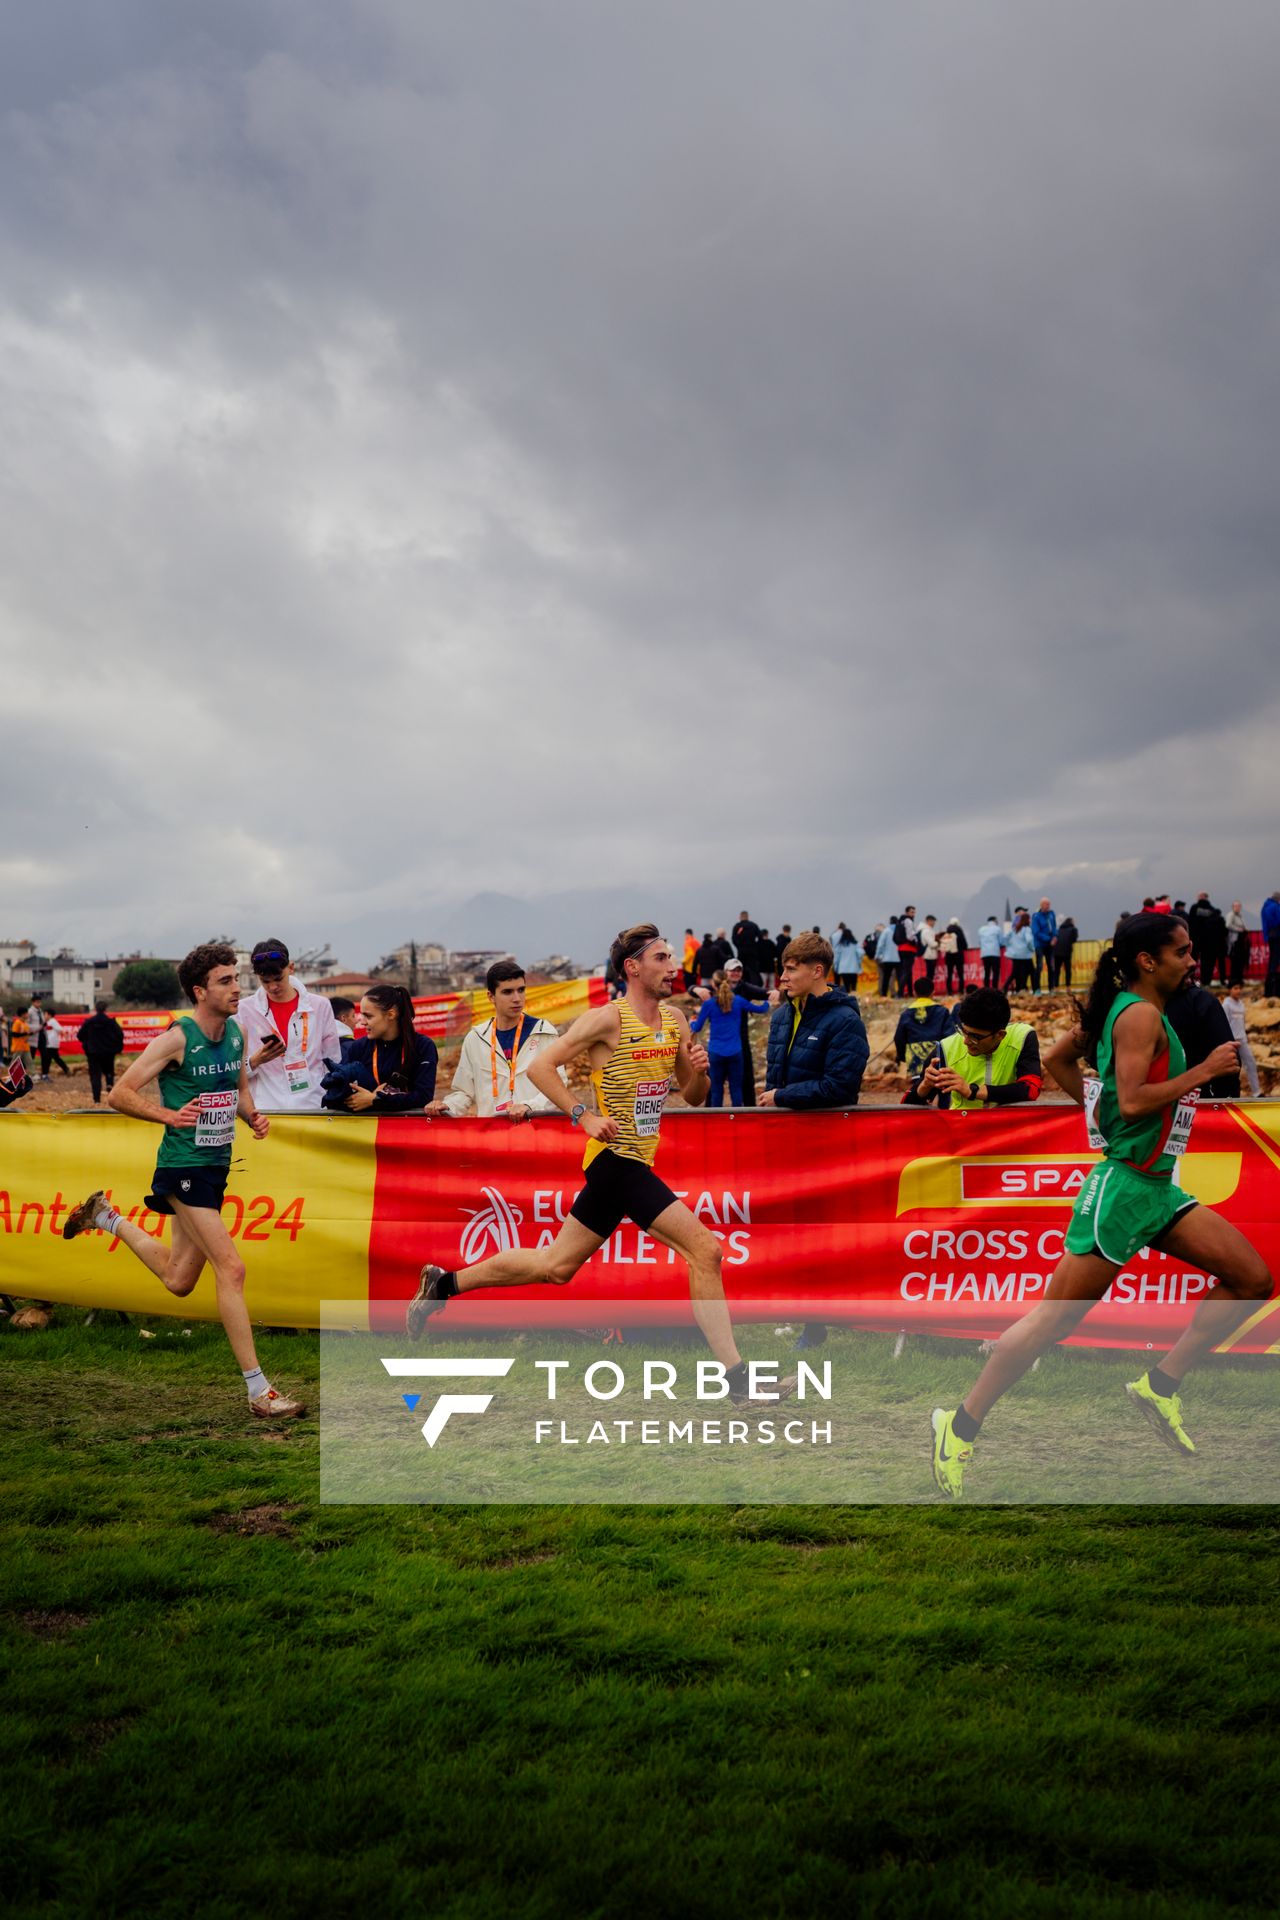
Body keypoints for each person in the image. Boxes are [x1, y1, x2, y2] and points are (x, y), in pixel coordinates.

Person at [929, 913, 1268, 1498]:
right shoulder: (1137, 1014)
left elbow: (1063, 1063)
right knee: (1050, 1323)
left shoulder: (1119, 1009)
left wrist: (1103, 1115)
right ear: (1147, 960)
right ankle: (957, 1427)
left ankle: (1160, 1385)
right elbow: (1134, 1102)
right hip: (1125, 1191)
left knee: (1251, 1277)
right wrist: (1203, 1072)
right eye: (1182, 952)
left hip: (1157, 1188)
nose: (1193, 961)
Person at [405, 925, 795, 1404]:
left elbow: (693, 1098)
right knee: (706, 1251)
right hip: (616, 1160)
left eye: (672, 957)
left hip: (632, 1160)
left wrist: (701, 1070)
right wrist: (582, 1114)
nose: (672, 966)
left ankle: (442, 1284)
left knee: (556, 1266)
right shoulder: (605, 1020)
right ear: (633, 967)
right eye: (661, 958)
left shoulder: (675, 1020)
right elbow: (539, 1068)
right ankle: (739, 1382)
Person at [61, 942, 304, 1419]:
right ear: (200, 990)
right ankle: (259, 1391)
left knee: (178, 1279)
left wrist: (252, 1116)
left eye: (236, 978)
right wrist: (170, 1116)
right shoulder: (177, 1038)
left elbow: (237, 1087)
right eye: (226, 980)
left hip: (214, 1166)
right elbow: (120, 1094)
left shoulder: (235, 1033)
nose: (238, 987)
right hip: (183, 1166)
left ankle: (106, 1217)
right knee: (231, 1269)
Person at [426, 959, 565, 1120]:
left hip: (534, 1133)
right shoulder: (475, 1038)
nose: (517, 998)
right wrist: (446, 1106)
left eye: (521, 990)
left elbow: (559, 1085)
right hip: (493, 1137)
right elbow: (464, 1092)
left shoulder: (544, 1032)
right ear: (491, 996)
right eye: (508, 992)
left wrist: (530, 1107)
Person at [235, 937, 343, 1113]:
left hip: (314, 1108)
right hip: (265, 1112)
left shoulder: (320, 1005)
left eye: (278, 979)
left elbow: (333, 1060)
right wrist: (255, 1061)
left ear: (291, 968)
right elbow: (232, 1073)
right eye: (265, 981)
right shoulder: (243, 1010)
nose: (273, 987)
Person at [906, 988, 1041, 1110]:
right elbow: (904, 1108)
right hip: (964, 1130)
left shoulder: (1022, 1037)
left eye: (975, 1037)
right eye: (964, 1031)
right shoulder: (946, 1048)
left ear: (1000, 1035)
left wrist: (972, 1091)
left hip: (1007, 1131)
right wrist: (924, 1086)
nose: (965, 1041)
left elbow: (1030, 1089)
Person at [321, 984, 437, 1112]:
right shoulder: (358, 1047)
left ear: (391, 1014)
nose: (362, 1022)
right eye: (362, 1015)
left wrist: (376, 1099)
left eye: (368, 1016)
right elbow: (333, 1098)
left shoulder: (423, 1046)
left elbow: (423, 1097)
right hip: (366, 1130)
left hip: (408, 1128)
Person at [691, 968, 771, 1107]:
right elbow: (761, 1009)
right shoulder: (739, 1001)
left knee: (716, 1091)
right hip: (735, 1052)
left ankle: (717, 1124)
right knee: (736, 1090)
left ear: (714, 985)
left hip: (716, 1053)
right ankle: (736, 1124)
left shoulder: (709, 1004)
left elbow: (697, 1027)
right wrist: (769, 1001)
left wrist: (692, 1021)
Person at [894, 983, 956, 1090]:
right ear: (933, 993)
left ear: (914, 993)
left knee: (917, 1091)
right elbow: (950, 1035)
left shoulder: (906, 1014)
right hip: (938, 1056)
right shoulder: (942, 1011)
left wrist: (902, 1057)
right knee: (943, 1089)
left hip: (915, 1058)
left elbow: (899, 1038)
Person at [77, 1000, 126, 1104]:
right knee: (109, 1071)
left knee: (95, 1075)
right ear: (105, 1009)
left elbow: (80, 1036)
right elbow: (120, 1035)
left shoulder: (89, 1022)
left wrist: (88, 1043)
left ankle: (96, 1099)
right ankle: (109, 1084)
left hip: (93, 1052)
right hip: (108, 1052)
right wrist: (117, 1048)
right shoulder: (111, 1022)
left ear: (95, 1009)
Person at [1218, 987, 1260, 1099]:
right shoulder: (1226, 1004)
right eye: (1235, 988)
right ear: (1230, 990)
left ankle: (1256, 1092)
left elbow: (1242, 1022)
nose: (1238, 991)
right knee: (1231, 1069)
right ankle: (1228, 1094)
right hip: (1231, 1041)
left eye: (1240, 988)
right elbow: (1224, 1023)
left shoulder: (1241, 1004)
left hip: (1242, 1039)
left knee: (1250, 1063)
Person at [1186, 892, 1227, 987]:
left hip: (1195, 939)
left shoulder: (1194, 908)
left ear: (1201, 897)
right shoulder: (1211, 909)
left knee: (1192, 960)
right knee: (1206, 962)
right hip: (1208, 941)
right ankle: (1205, 981)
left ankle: (1190, 980)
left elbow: (1190, 922)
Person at [1030, 898, 1057, 992]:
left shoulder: (1051, 914)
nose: (1048, 906)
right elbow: (1036, 932)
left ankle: (1052, 988)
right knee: (1040, 966)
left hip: (1050, 945)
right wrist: (1049, 939)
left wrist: (1055, 937)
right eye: (1046, 904)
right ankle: (1037, 989)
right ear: (1041, 905)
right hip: (1040, 945)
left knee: (1051, 967)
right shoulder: (1036, 916)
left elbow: (1054, 927)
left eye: (1049, 904)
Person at [1006, 911, 1036, 994]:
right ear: (1027, 920)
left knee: (1015, 973)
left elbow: (1006, 937)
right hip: (1025, 955)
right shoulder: (1027, 929)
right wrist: (1032, 949)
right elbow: (1029, 940)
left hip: (1016, 955)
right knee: (1032, 972)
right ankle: (1035, 990)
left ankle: (1006, 988)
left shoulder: (1015, 928)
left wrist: (1010, 947)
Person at [893, 907, 919, 999]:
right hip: (909, 949)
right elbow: (910, 936)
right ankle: (900, 993)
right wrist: (916, 940)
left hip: (901, 949)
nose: (913, 914)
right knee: (906, 971)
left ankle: (910, 992)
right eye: (912, 912)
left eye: (914, 912)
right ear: (907, 912)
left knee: (907, 971)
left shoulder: (900, 921)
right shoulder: (908, 921)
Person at [1225, 903, 1250, 990]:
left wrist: (1245, 929)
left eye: (1239, 906)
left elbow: (1243, 926)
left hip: (1241, 942)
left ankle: (1239, 980)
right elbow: (1228, 925)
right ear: (1233, 907)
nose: (1238, 908)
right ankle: (1233, 981)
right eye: (1236, 906)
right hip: (1234, 942)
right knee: (1235, 963)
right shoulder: (1230, 915)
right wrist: (1239, 929)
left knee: (1240, 962)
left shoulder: (1240, 916)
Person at [831, 922, 861, 993]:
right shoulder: (855, 944)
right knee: (854, 987)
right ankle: (854, 999)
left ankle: (848, 1000)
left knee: (847, 987)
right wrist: (858, 962)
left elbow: (837, 957)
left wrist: (835, 966)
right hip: (854, 968)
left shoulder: (840, 945)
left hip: (844, 969)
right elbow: (860, 953)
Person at [977, 915, 1005, 991]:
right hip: (995, 953)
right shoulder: (997, 929)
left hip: (984, 954)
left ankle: (986, 989)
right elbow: (1001, 942)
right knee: (995, 972)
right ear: (995, 921)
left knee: (987, 972)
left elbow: (980, 942)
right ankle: (995, 989)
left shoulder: (981, 929)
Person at [940, 919, 968, 996]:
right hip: (958, 955)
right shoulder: (959, 931)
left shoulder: (947, 932)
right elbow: (964, 943)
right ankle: (961, 990)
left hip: (949, 956)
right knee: (960, 974)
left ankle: (949, 991)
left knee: (949, 974)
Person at [1053, 916, 1079, 992]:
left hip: (1056, 952)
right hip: (1066, 952)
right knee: (1068, 970)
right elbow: (1074, 939)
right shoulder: (1073, 929)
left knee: (1057, 970)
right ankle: (1068, 986)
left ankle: (1056, 987)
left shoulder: (1059, 929)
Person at [873, 921, 898, 998]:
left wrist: (876, 956)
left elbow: (879, 946)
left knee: (882, 977)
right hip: (891, 958)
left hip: (881, 959)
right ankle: (892, 992)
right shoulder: (892, 932)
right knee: (891, 976)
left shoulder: (877, 934)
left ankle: (882, 993)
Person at [916, 916, 940, 994]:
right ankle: (927, 991)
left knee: (930, 974)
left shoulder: (928, 930)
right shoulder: (926, 931)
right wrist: (938, 942)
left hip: (931, 954)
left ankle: (928, 991)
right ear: (929, 921)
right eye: (933, 921)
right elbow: (932, 944)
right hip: (929, 955)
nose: (934, 923)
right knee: (929, 975)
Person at [42, 1012, 71, 1076]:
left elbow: (60, 1029)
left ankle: (45, 1073)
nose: (44, 1016)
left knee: (50, 1058)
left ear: (49, 1015)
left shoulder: (53, 1021)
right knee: (53, 1058)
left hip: (52, 1043)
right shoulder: (47, 1022)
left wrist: (65, 1035)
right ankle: (66, 1069)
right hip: (49, 1043)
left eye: (45, 1014)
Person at [1264, 891, 1280, 998]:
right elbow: (1278, 920)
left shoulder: (1266, 906)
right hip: (1277, 934)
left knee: (1273, 958)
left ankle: (1271, 978)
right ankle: (1273, 979)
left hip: (1270, 935)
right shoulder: (1275, 906)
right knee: (1276, 957)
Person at [27, 995, 46, 1077]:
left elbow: (43, 1022)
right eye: (37, 1002)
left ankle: (44, 1074)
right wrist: (38, 1027)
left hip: (42, 1035)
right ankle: (31, 1074)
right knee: (31, 1056)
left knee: (44, 1055)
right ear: (33, 1002)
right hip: (33, 1037)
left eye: (40, 1002)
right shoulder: (29, 1012)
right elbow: (27, 1025)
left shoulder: (40, 1011)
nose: (39, 1004)